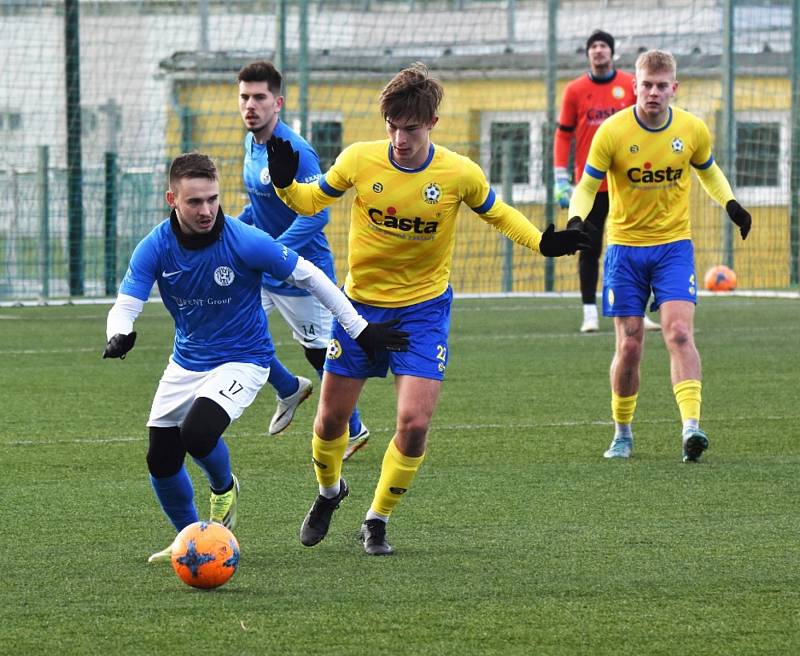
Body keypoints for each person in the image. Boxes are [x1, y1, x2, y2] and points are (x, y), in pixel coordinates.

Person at [266, 62, 591, 555]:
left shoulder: (459, 173)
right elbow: (311, 201)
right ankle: (330, 493)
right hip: (360, 309)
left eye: (410, 128)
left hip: (423, 311)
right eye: (392, 127)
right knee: (330, 422)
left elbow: (500, 215)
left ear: (432, 124)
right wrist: (285, 184)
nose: (399, 138)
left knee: (414, 424)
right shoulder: (359, 159)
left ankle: (376, 518)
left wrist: (543, 244)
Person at [102, 153, 407, 562]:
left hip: (244, 360)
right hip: (186, 362)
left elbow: (310, 276)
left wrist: (359, 328)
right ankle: (193, 543)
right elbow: (126, 304)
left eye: (212, 198)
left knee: (197, 434)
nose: (207, 209)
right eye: (195, 202)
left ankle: (224, 487)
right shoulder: (155, 246)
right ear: (172, 199)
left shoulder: (244, 239)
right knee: (160, 458)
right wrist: (118, 332)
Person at [567, 49, 752, 462]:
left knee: (680, 333)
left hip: (674, 248)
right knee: (630, 344)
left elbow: (709, 171)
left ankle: (691, 429)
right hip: (625, 251)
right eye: (646, 85)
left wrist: (732, 204)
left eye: (661, 86)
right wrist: (577, 219)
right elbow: (585, 185)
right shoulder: (612, 132)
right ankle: (622, 432)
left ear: (674, 89)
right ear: (635, 86)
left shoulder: (691, 129)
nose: (653, 92)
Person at [236, 60, 369, 459]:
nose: (250, 105)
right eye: (244, 97)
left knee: (320, 352)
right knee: (238, 331)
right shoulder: (251, 143)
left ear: (277, 102)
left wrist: (276, 253)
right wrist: (233, 232)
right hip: (262, 265)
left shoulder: (296, 151)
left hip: (300, 271)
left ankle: (356, 428)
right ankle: (287, 388)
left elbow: (318, 213)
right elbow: (258, 207)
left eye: (259, 97)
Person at [555, 30, 661, 334]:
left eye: (603, 46)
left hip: (628, 184)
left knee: (635, 246)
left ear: (612, 53)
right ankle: (589, 312)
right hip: (591, 185)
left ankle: (638, 312)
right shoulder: (575, 90)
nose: (598, 51)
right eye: (593, 46)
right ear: (588, 53)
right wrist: (561, 177)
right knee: (589, 248)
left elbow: (646, 127)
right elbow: (563, 134)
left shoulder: (629, 86)